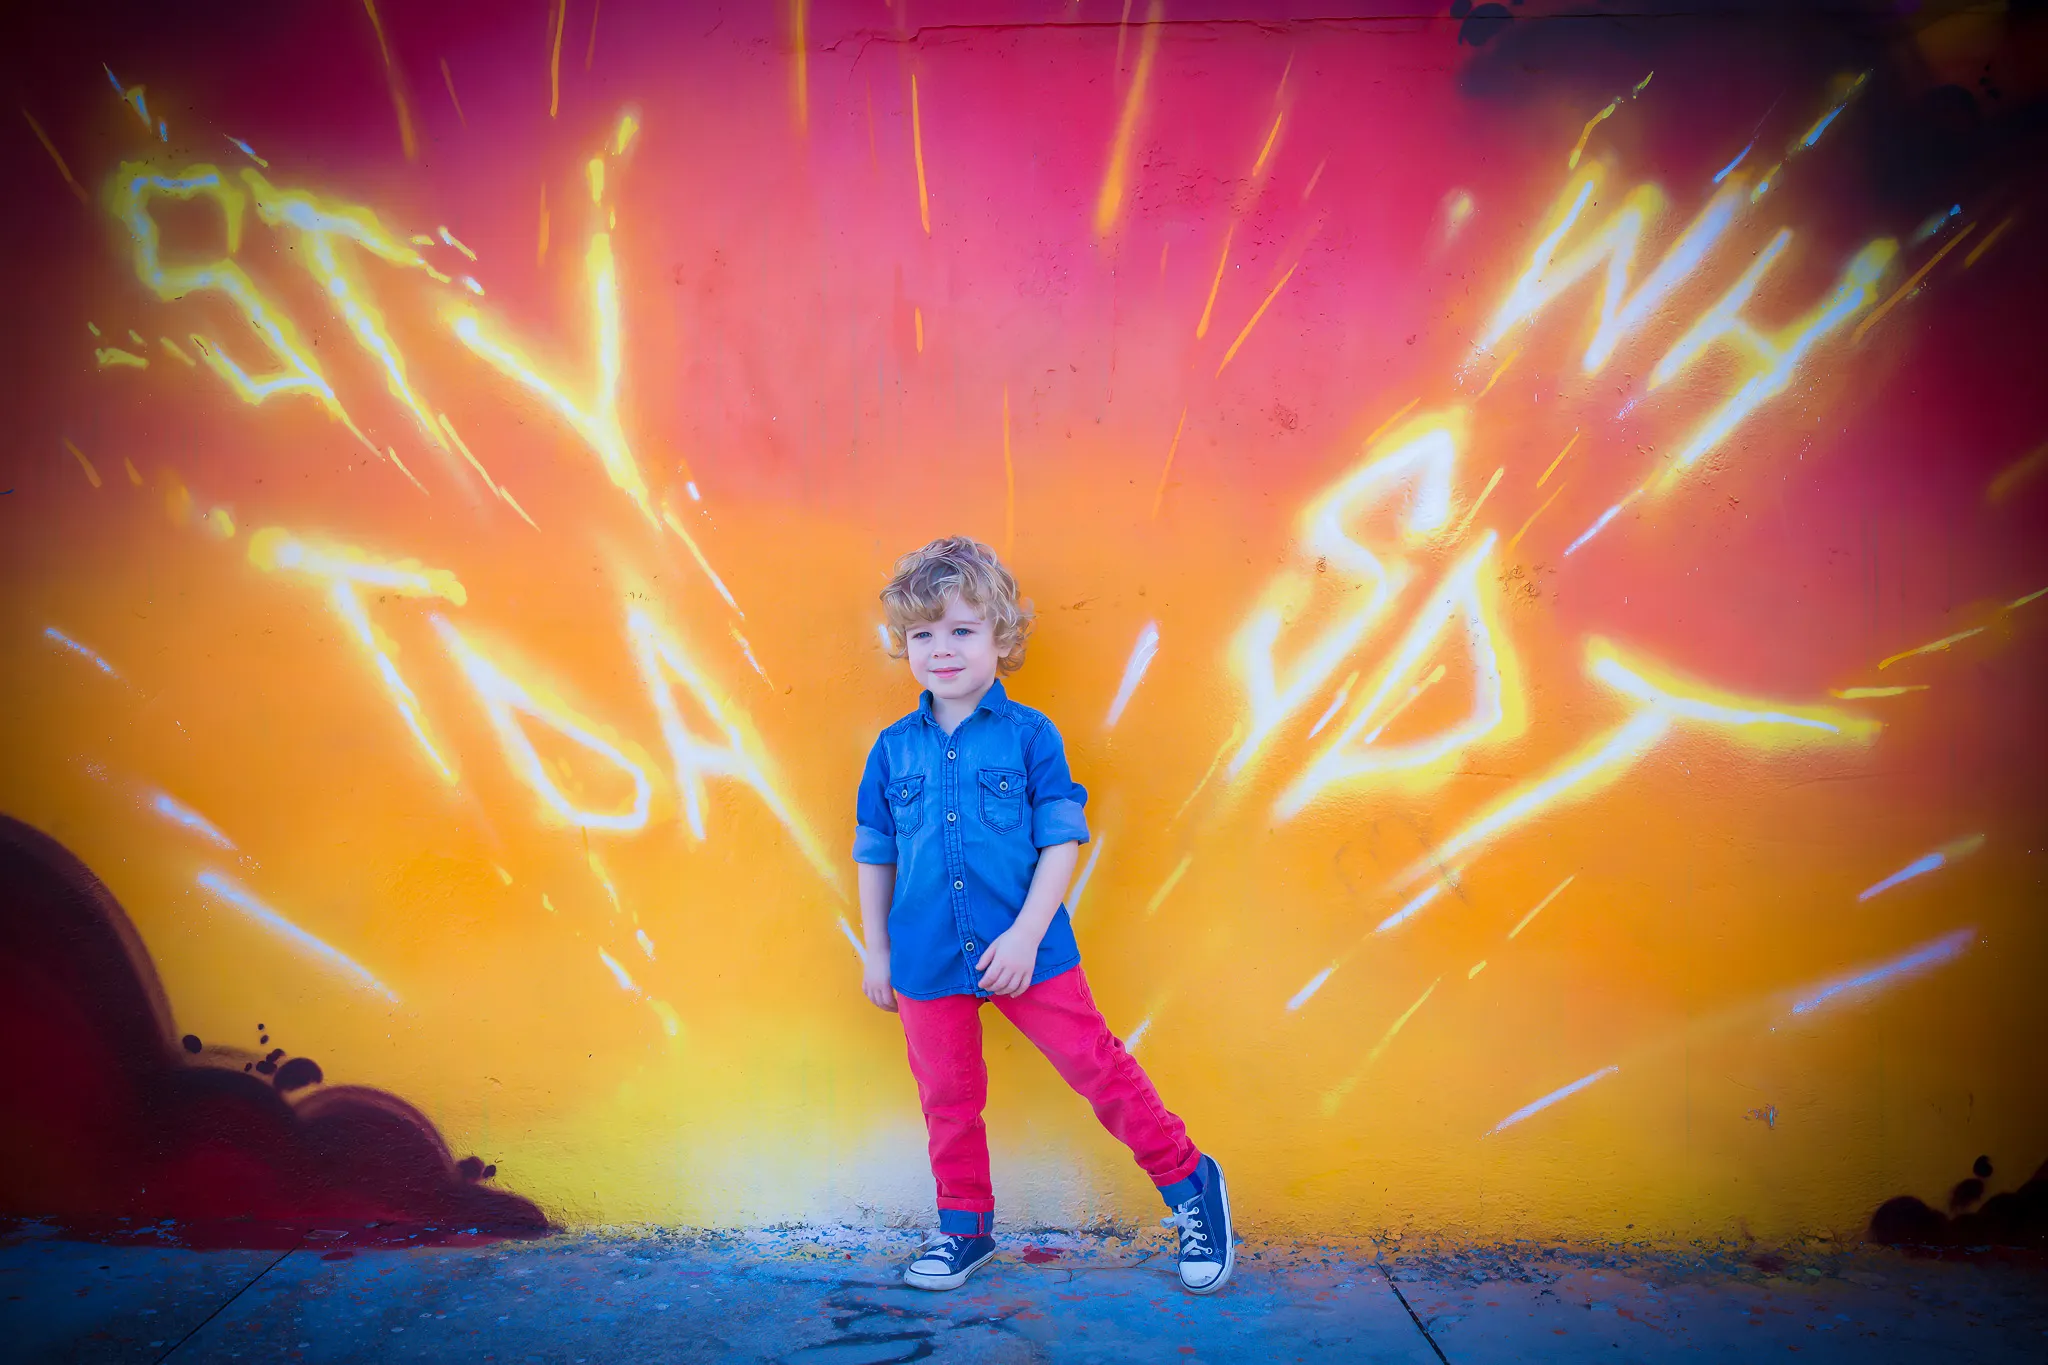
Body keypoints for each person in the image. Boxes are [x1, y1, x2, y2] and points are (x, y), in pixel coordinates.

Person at [851, 535, 1234, 1294]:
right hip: (926, 954)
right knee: (948, 1100)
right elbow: (875, 852)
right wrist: (877, 952)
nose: (941, 649)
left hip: (1028, 950)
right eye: (922, 634)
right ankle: (965, 1228)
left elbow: (1061, 839)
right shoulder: (892, 750)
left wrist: (1026, 935)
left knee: (1097, 1067)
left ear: (1000, 637)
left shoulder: (1031, 736)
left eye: (961, 630)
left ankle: (1190, 1181)